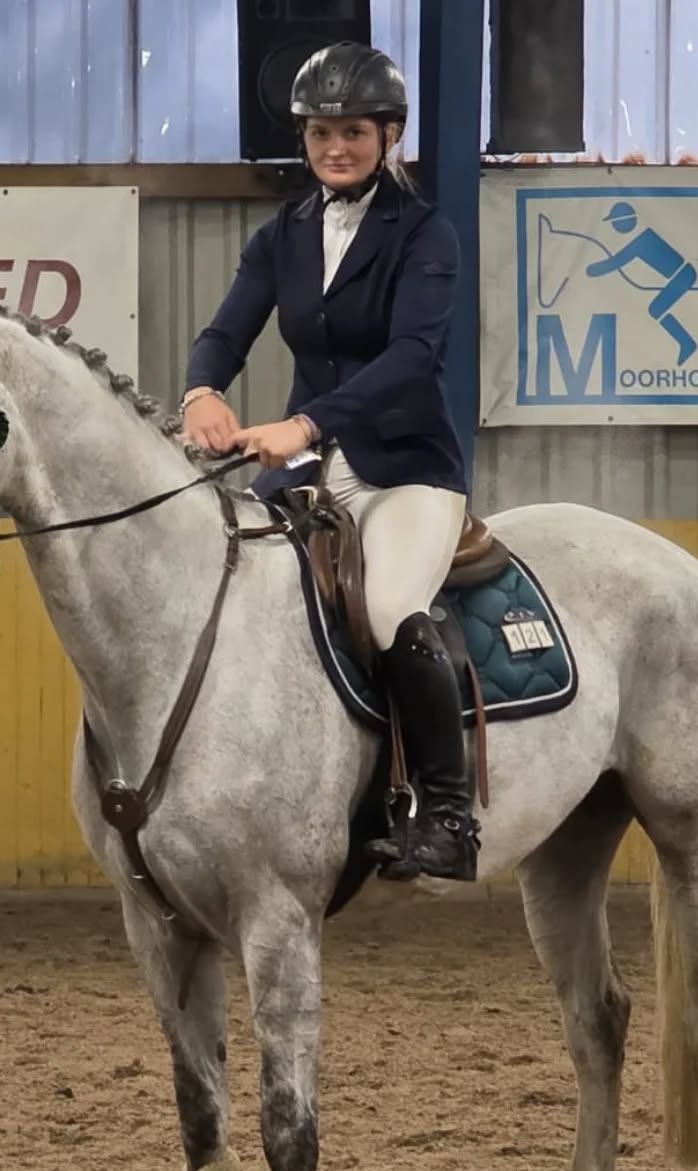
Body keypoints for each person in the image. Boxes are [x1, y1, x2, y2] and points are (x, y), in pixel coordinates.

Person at [179, 41, 478, 884]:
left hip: (406, 468)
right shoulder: (285, 233)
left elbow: (413, 357)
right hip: (302, 474)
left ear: (390, 136)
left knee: (387, 610)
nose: (333, 148)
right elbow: (225, 332)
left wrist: (304, 421)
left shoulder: (427, 233)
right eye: (318, 134)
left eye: (352, 131)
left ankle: (446, 815)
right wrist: (202, 391)